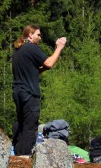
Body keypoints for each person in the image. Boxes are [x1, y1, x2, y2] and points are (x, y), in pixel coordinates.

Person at [12, 25, 67, 156]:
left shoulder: (18, 51)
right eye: (38, 35)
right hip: (30, 93)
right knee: (30, 127)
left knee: (21, 124)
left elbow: (38, 69)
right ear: (30, 35)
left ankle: (17, 156)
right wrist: (59, 47)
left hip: (18, 92)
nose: (40, 38)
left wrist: (49, 63)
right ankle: (25, 159)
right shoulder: (31, 48)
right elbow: (49, 63)